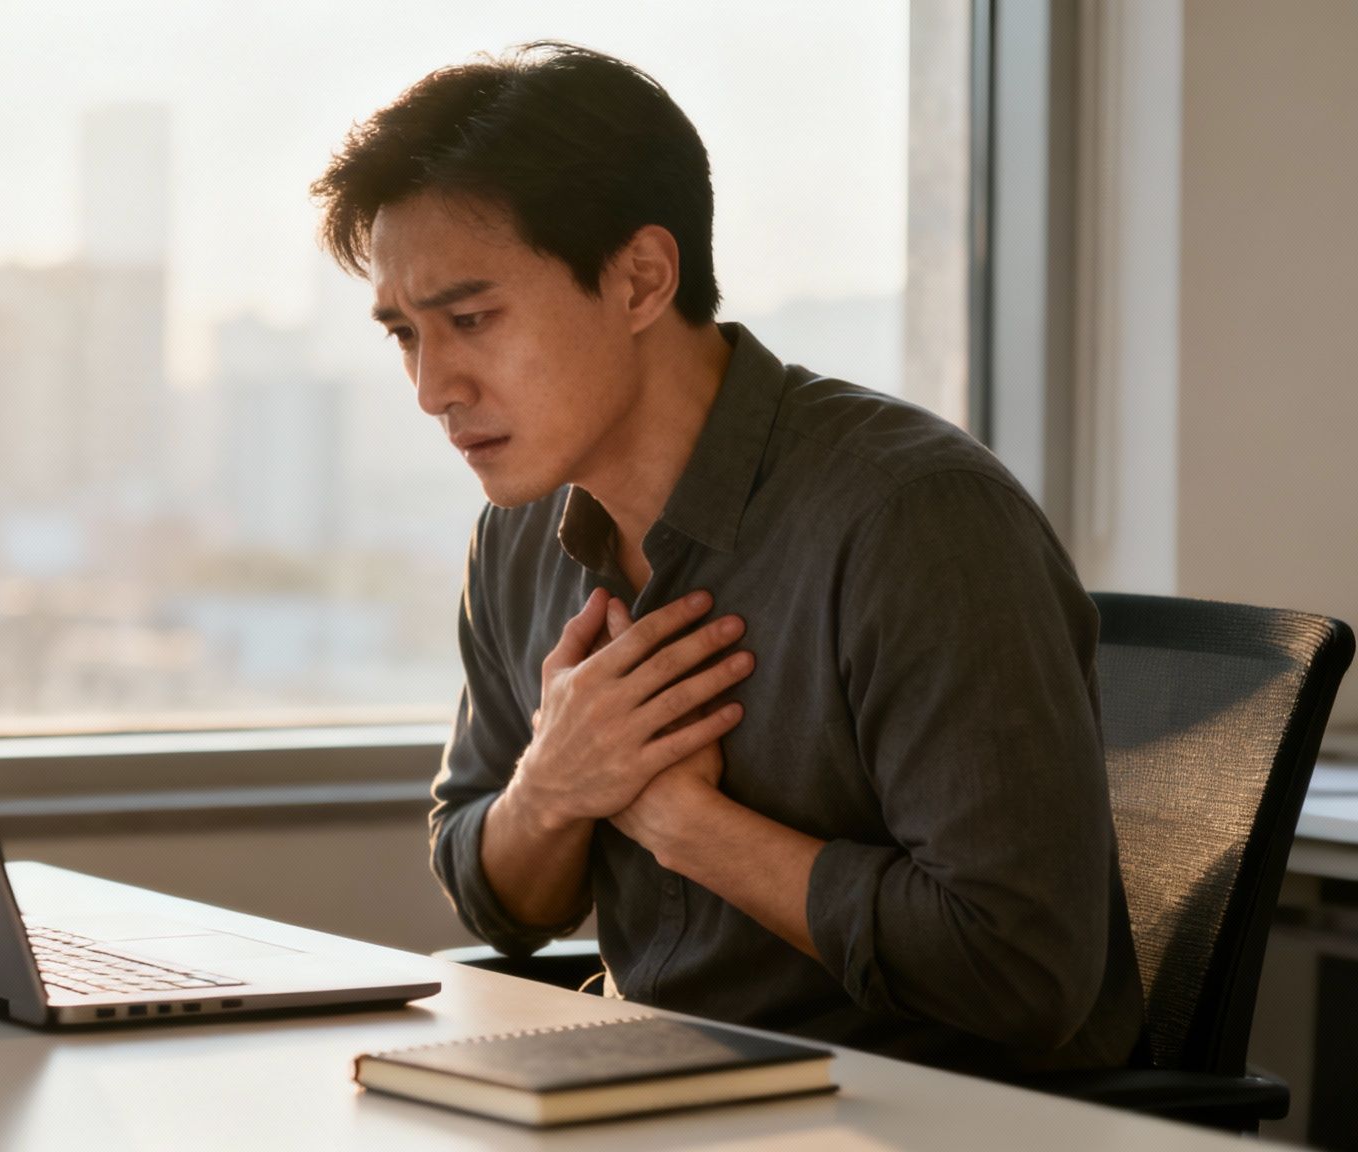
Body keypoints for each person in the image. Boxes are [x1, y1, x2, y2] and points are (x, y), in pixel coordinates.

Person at [310, 42, 1144, 1075]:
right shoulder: (521, 530)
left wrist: (678, 822)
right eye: (402, 334)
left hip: (914, 1117)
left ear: (640, 279)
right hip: (647, 1088)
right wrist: (555, 785)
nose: (431, 386)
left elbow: (1017, 973)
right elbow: (498, 904)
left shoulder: (913, 517)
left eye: (470, 319)